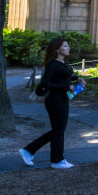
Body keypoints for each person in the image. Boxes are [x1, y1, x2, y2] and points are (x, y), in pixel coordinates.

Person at [19, 38, 82, 169]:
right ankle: (56, 160)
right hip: (55, 100)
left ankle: (31, 151)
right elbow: (45, 83)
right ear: (57, 49)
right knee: (59, 130)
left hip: (62, 99)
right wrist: (66, 87)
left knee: (58, 130)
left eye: (68, 46)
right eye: (65, 46)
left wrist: (76, 79)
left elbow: (62, 78)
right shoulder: (52, 64)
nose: (68, 48)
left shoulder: (62, 62)